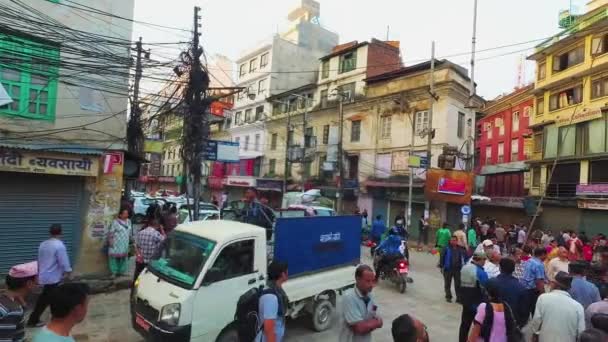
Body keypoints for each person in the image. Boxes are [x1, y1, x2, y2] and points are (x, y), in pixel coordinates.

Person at [27, 224, 72, 327]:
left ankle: (54, 317)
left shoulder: (43, 244)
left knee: (51, 297)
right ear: (61, 233)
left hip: (44, 275)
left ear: (50, 232)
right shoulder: (59, 245)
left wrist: (38, 274)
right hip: (53, 277)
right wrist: (68, 272)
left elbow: (39, 259)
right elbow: (63, 261)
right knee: (45, 299)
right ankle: (33, 320)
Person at [529, 271, 585, 342]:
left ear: (554, 284)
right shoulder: (578, 306)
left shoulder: (543, 298)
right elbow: (581, 332)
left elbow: (536, 321)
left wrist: (534, 335)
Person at [340, 264, 383, 342]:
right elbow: (359, 328)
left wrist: (371, 323)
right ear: (357, 279)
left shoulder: (371, 296)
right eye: (367, 281)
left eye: (372, 281)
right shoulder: (349, 297)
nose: (371, 285)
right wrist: (376, 323)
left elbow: (378, 318)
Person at [1, 262, 37, 341]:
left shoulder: (4, 301)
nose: (38, 284)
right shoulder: (13, 311)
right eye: (36, 281)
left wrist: (23, 305)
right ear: (29, 283)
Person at [459, 252, 489, 342]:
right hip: (477, 304)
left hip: (465, 302)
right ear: (481, 259)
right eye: (484, 260)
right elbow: (485, 289)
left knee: (464, 325)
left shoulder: (465, 268)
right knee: (478, 326)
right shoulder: (481, 273)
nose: (485, 262)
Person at [256, 261, 289, 342]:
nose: (288, 272)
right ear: (282, 274)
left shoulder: (276, 290)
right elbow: (269, 328)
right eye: (286, 270)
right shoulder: (271, 297)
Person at [489, 258, 527, 327]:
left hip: (493, 321)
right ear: (513, 269)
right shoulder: (520, 287)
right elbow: (523, 311)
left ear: (500, 268)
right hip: (512, 323)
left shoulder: (491, 283)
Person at [520, 247, 547, 321]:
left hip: (525, 289)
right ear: (543, 254)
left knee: (526, 310)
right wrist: (543, 294)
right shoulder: (539, 264)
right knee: (535, 311)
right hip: (533, 290)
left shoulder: (529, 261)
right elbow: (539, 281)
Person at [439, 236, 467, 303]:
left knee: (458, 284)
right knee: (447, 283)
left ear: (457, 241)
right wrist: (441, 267)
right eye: (452, 240)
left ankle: (459, 298)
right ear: (450, 241)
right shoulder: (446, 248)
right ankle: (448, 297)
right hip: (448, 269)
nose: (453, 242)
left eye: (454, 240)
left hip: (458, 269)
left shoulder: (460, 248)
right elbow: (442, 257)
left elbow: (464, 257)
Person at [105, 208, 132, 277]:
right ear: (120, 215)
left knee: (123, 258)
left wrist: (131, 240)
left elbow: (130, 232)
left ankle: (121, 271)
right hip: (116, 243)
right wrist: (111, 242)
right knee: (113, 258)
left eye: (127, 213)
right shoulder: (115, 222)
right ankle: (114, 272)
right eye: (124, 213)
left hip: (125, 243)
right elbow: (111, 232)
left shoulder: (129, 221)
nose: (126, 215)